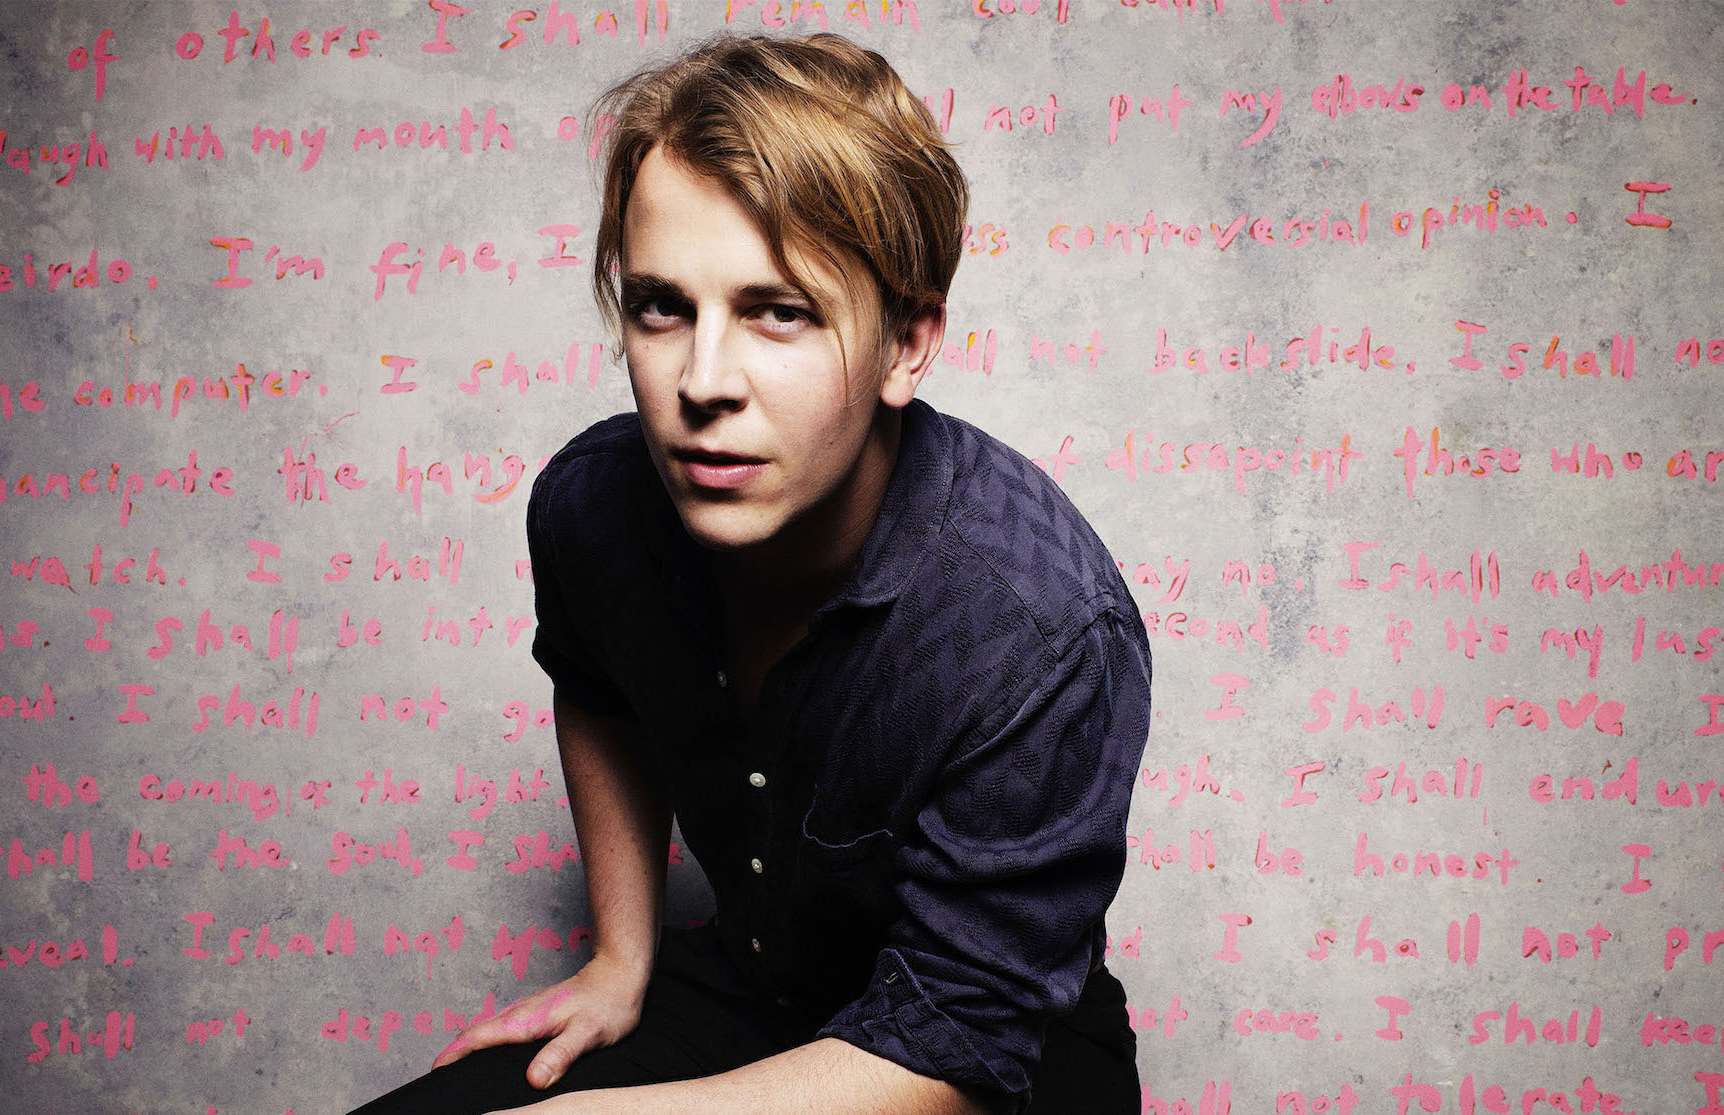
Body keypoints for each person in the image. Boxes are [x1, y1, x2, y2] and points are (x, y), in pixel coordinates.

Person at [351, 31, 1150, 1115]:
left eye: (779, 312)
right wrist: (620, 955)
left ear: (906, 345)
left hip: (977, 1060)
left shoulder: (1039, 625)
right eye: (661, 306)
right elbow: (595, 684)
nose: (702, 380)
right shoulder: (594, 508)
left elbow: (959, 1038)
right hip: (759, 991)